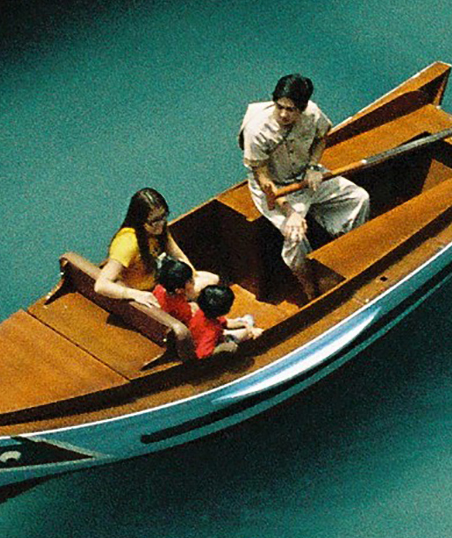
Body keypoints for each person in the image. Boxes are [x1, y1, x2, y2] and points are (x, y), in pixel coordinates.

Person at [241, 72, 369, 301]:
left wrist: (312, 167)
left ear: (302, 107)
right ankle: (310, 285)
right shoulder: (257, 130)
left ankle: (344, 253)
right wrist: (290, 213)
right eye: (279, 106)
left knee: (359, 197)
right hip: (275, 190)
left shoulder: (312, 113)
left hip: (305, 176)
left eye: (291, 110)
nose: (283, 114)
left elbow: (322, 136)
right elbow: (263, 179)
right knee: (295, 237)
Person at [95, 187, 215, 317]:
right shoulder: (127, 244)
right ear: (140, 221)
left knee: (211, 279)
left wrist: (191, 278)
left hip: (160, 284)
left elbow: (176, 252)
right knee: (201, 297)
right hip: (147, 295)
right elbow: (101, 285)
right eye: (154, 221)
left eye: (163, 217)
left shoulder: (159, 229)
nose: (161, 224)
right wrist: (136, 295)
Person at [153, 258, 260, 360]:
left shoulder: (159, 289)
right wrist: (223, 348)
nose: (193, 281)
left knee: (246, 323)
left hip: (191, 327)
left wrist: (245, 325)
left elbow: (224, 322)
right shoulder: (209, 329)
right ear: (179, 290)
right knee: (245, 331)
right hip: (200, 337)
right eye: (190, 281)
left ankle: (245, 323)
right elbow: (201, 354)